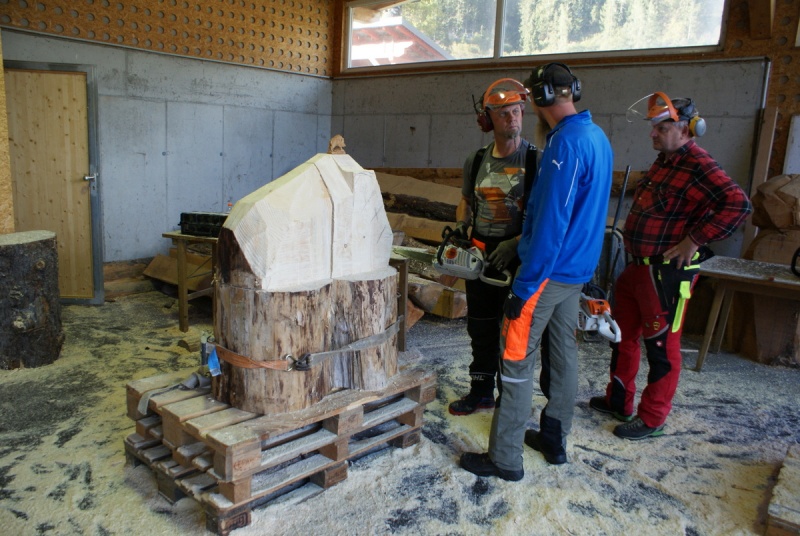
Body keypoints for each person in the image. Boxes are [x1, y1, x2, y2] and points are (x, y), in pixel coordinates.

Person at [460, 62, 613, 479]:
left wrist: (524, 286)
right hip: (575, 273)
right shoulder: (597, 137)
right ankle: (553, 438)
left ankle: (504, 458)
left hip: (547, 273)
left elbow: (551, 223)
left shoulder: (563, 145)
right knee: (563, 356)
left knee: (514, 361)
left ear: (541, 97)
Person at [589, 92, 752, 441]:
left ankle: (652, 418)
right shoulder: (664, 161)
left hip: (665, 273)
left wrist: (694, 240)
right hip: (636, 267)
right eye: (654, 127)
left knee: (661, 348)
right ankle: (619, 401)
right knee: (621, 338)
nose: (653, 134)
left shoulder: (699, 164)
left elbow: (738, 205)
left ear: (687, 129)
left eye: (662, 128)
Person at [447, 77, 538, 416]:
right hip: (480, 256)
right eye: (503, 113)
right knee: (480, 328)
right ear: (488, 119)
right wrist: (462, 225)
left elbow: (545, 217)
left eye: (516, 111)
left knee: (511, 332)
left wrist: (516, 243)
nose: (512, 118)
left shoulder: (535, 161)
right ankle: (481, 391)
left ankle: (509, 398)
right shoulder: (476, 160)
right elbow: (466, 201)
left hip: (516, 259)